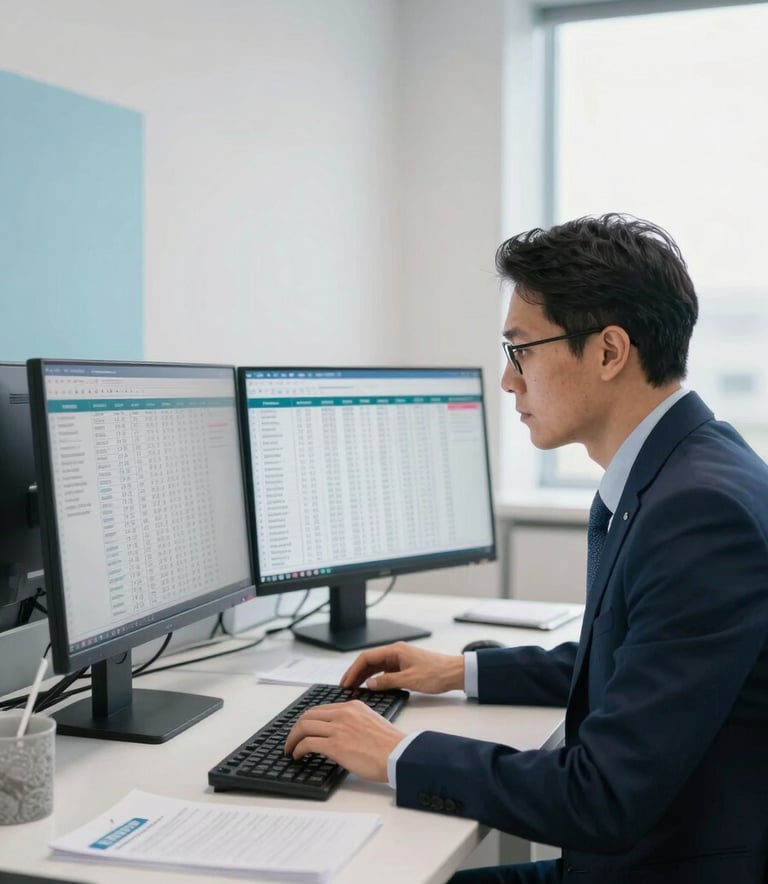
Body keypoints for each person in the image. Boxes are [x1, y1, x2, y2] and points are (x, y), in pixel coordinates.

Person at [285, 214, 768, 884]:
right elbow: (633, 660)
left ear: (608, 352)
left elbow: (600, 797)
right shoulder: (688, 466)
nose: (509, 381)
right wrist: (461, 672)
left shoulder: (698, 513)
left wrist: (398, 752)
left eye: (521, 349)